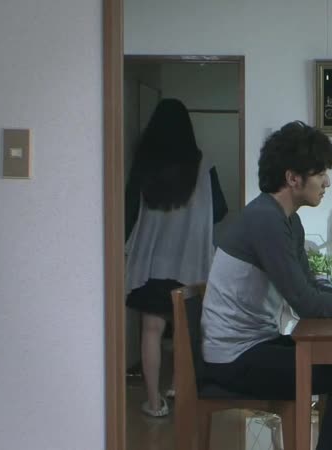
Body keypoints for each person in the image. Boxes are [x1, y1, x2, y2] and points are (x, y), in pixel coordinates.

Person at [201, 121, 332, 450]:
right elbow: (307, 304)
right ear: (293, 178)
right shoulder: (265, 220)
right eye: (321, 173)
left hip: (257, 345)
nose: (327, 182)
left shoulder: (286, 219)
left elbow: (310, 288)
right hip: (234, 359)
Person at [125, 98, 228, 417]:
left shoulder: (144, 165)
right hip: (190, 263)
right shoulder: (203, 164)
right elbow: (220, 209)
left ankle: (154, 402)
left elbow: (128, 212)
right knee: (185, 333)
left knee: (151, 330)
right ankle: (178, 390)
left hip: (151, 265)